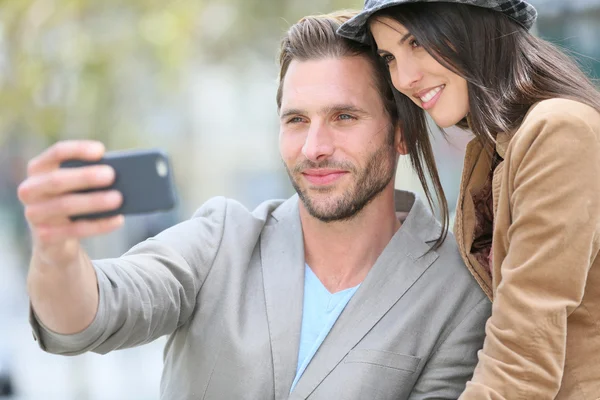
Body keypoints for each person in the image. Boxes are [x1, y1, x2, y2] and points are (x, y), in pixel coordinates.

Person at [17, 11, 491, 400]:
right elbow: (90, 314)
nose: (314, 147)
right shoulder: (221, 241)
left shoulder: (457, 292)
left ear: (402, 132)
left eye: (344, 117)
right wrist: (57, 254)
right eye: (296, 120)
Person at [338, 1, 600, 399]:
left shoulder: (558, 129)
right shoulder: (491, 151)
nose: (405, 77)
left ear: (474, 27)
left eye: (418, 42)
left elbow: (524, 353)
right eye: (390, 56)